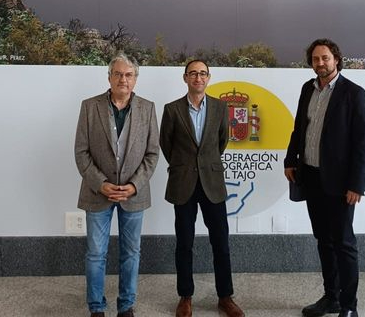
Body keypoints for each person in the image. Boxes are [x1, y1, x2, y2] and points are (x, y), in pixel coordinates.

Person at [284, 39, 365, 317]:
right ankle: (331, 297)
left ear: (336, 59)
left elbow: (363, 143)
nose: (320, 63)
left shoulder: (354, 94)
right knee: (323, 240)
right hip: (311, 177)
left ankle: (349, 306)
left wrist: (357, 184)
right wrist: (290, 159)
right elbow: (299, 127)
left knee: (344, 244)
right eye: (315, 59)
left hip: (341, 184)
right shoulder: (307, 89)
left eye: (325, 58)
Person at [74, 53, 160, 317]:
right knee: (96, 253)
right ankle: (96, 307)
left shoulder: (148, 108)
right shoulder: (90, 107)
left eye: (129, 75)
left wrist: (134, 185)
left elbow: (152, 153)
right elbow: (81, 152)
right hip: (97, 193)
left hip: (134, 194)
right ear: (109, 77)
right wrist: (101, 184)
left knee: (131, 252)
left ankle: (126, 306)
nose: (123, 79)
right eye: (118, 74)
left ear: (135, 79)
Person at [159, 60, 245, 317]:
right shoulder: (172, 109)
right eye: (193, 73)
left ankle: (225, 297)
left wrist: (204, 164)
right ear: (185, 78)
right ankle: (185, 297)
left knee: (221, 243)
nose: (198, 78)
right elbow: (166, 144)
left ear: (209, 78)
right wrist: (185, 165)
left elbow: (221, 142)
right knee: (184, 243)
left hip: (212, 184)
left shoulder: (220, 107)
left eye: (203, 74)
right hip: (183, 182)